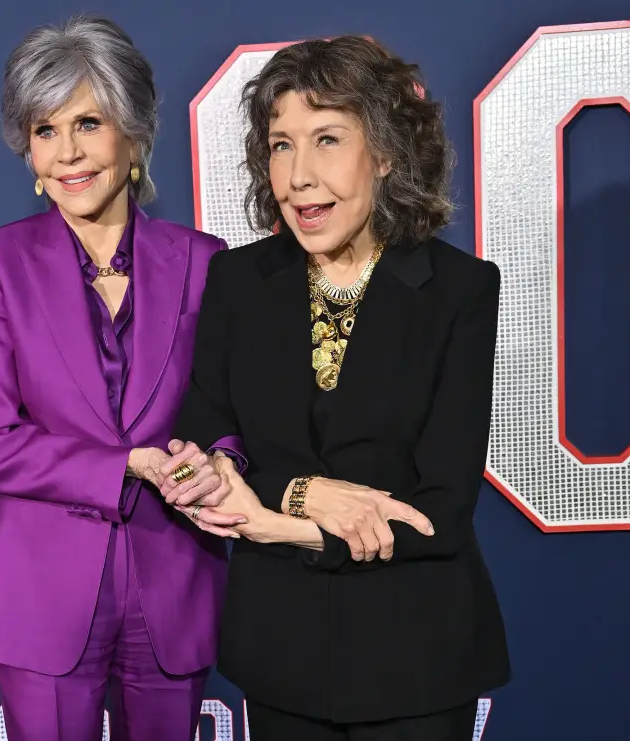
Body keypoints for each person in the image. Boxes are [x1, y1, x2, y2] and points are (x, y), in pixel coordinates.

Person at [169, 35, 511, 740]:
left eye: (327, 139)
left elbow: (438, 511)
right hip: (279, 658)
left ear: (385, 152)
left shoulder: (459, 291)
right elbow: (202, 446)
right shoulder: (238, 282)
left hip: (416, 660)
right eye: (280, 144)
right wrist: (303, 491)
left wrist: (279, 522)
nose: (298, 176)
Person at [0, 15, 246, 741]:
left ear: (134, 131)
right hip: (43, 594)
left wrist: (221, 462)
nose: (67, 152)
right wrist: (124, 464)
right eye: (45, 129)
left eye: (88, 121)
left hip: (174, 578)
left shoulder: (205, 261)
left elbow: (230, 409)